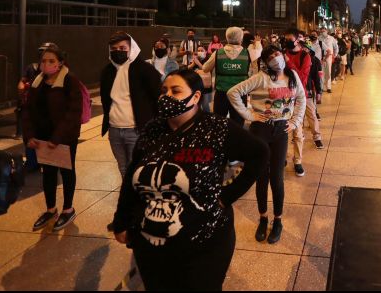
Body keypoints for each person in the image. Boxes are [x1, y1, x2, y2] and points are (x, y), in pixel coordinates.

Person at [112, 70, 268, 291]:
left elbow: (260, 154)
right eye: (164, 91)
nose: (167, 96)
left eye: (176, 91)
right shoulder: (152, 130)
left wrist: (226, 196)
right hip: (152, 246)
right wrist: (122, 220)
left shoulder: (216, 127)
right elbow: (132, 177)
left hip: (204, 245)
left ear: (195, 97)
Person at [227, 46, 306, 245]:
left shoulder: (292, 75)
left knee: (277, 177)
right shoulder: (261, 77)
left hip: (281, 131)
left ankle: (277, 220)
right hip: (260, 130)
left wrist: (295, 121)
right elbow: (233, 92)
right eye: (270, 57)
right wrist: (249, 114)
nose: (275, 59)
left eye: (277, 54)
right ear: (265, 61)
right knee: (261, 177)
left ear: (283, 54)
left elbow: (301, 99)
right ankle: (263, 218)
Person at [22, 44, 83, 231]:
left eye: (51, 61)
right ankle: (51, 209)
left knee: (66, 172)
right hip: (43, 137)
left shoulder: (69, 80)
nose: (46, 64)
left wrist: (56, 138)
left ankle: (68, 209)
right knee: (47, 173)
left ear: (60, 63)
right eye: (43, 61)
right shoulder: (37, 81)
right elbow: (28, 110)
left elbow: (73, 112)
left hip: (64, 138)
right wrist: (29, 135)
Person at [100, 32, 162, 178]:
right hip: (114, 130)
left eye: (122, 48)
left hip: (136, 130)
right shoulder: (107, 72)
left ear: (131, 48)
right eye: (114, 49)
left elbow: (157, 98)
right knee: (123, 168)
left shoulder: (145, 69)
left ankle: (137, 198)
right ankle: (128, 198)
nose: (118, 51)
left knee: (137, 168)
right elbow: (105, 100)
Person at [283, 29, 323, 177]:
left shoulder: (305, 56)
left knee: (299, 132)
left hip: (301, 95)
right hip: (284, 97)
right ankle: (283, 158)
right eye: (285, 39)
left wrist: (288, 63)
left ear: (296, 41)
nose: (286, 42)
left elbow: (302, 77)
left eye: (289, 39)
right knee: (284, 131)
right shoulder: (282, 53)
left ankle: (298, 161)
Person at [202, 27, 251, 125]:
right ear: (241, 38)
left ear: (227, 38)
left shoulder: (217, 53)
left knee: (219, 123)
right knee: (238, 124)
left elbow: (205, 68)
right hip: (240, 94)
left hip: (221, 93)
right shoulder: (248, 53)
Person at [188, 47, 213, 113]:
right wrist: (194, 62)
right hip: (197, 86)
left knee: (205, 105)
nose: (200, 52)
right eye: (198, 50)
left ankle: (207, 118)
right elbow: (188, 69)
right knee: (197, 105)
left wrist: (198, 62)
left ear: (205, 52)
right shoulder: (195, 60)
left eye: (202, 50)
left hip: (205, 87)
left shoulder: (208, 59)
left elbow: (206, 70)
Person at [317, 28, 337, 93]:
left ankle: (328, 86)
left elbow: (336, 47)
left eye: (324, 31)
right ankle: (322, 87)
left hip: (329, 56)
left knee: (328, 72)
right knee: (322, 72)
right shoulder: (319, 38)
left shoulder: (331, 38)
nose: (323, 32)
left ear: (327, 31)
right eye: (322, 31)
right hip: (321, 57)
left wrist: (335, 55)